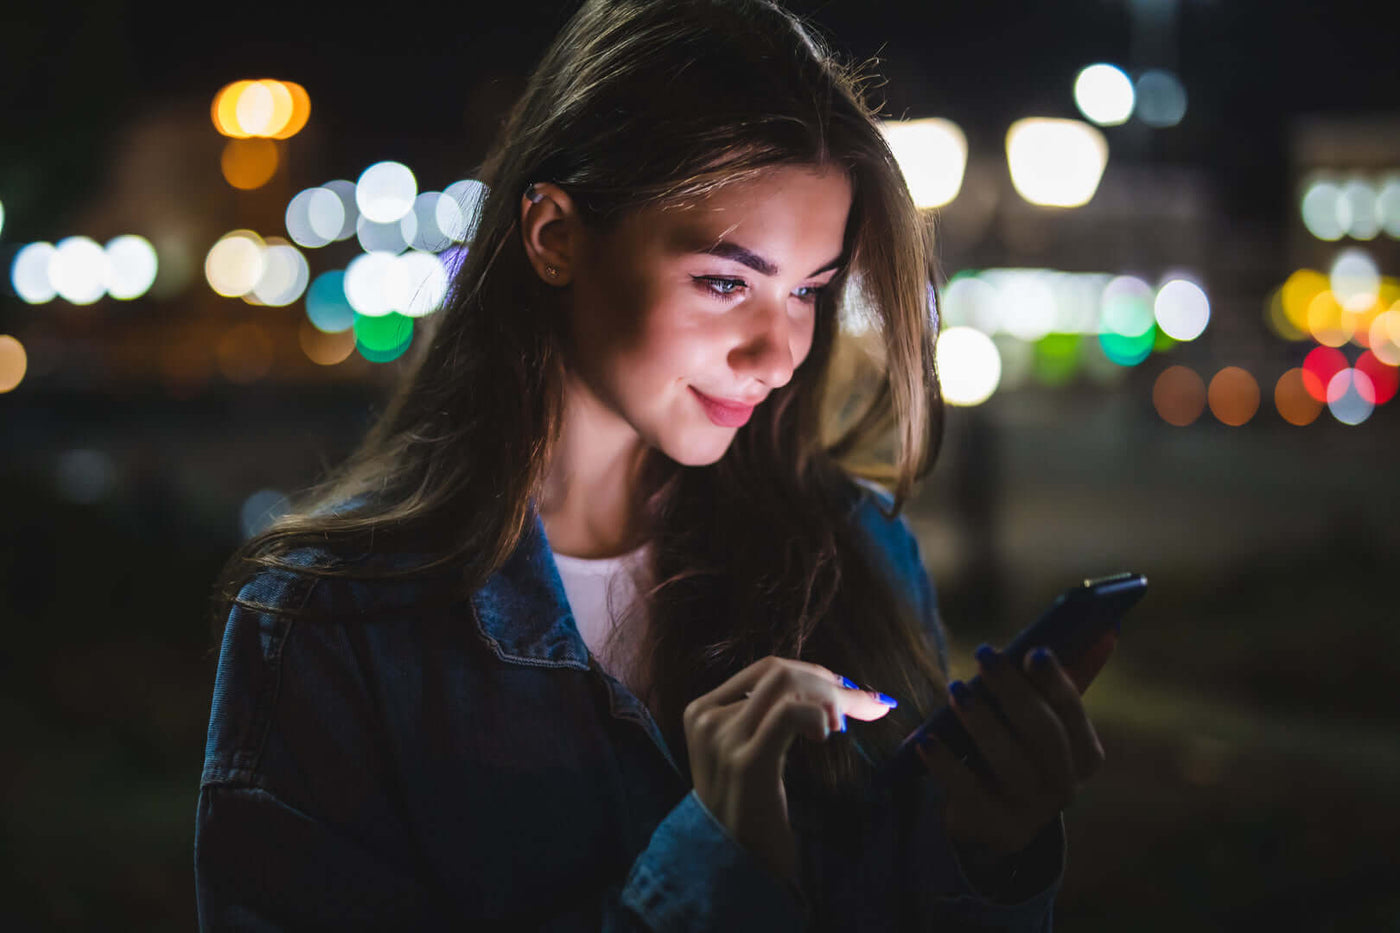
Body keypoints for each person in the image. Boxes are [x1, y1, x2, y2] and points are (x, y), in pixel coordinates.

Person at [194, 0, 1105, 928]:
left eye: (808, 291)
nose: (780, 351)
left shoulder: (857, 549)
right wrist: (715, 859)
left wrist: (988, 854)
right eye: (725, 281)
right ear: (554, 237)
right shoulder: (333, 619)